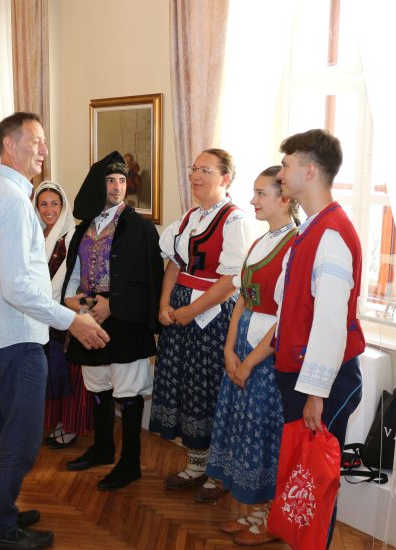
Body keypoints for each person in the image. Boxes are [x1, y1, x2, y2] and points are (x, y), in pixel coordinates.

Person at [0, 111, 109, 550]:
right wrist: (74, 320)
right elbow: (19, 288)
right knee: (23, 437)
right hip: (15, 337)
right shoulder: (11, 201)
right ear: (10, 145)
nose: (44, 149)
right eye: (37, 140)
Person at [274, 129, 365, 546]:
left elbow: (330, 322)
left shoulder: (331, 234)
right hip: (304, 373)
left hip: (324, 378)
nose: (281, 172)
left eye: (287, 164)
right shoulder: (311, 228)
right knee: (301, 474)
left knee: (316, 479)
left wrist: (315, 392)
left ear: (309, 171)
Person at [148, 148, 251, 501]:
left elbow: (230, 281)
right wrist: (164, 304)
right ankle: (196, 462)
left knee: (208, 389)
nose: (196, 175)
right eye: (194, 168)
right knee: (184, 387)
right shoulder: (191, 216)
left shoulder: (234, 220)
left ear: (225, 179)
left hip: (211, 317)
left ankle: (218, 473)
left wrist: (190, 313)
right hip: (180, 311)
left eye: (205, 170)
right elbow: (175, 265)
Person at [61, 153, 163, 491]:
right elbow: (74, 271)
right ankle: (103, 447)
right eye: (110, 180)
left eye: (121, 181)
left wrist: (114, 304)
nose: (117, 186)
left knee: (128, 390)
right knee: (98, 385)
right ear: (97, 185)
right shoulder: (84, 228)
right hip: (90, 317)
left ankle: (130, 462)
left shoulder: (141, 227)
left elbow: (149, 279)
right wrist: (76, 302)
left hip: (125, 321)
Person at [206, 166, 298, 546]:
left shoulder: (295, 244)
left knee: (266, 435)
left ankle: (273, 519)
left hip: (266, 354)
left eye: (261, 194)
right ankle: (260, 511)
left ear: (285, 198)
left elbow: (287, 318)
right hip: (243, 342)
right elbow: (243, 296)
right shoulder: (262, 241)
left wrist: (248, 361)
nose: (253, 200)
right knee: (245, 430)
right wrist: (229, 349)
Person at [31, 180, 92, 448]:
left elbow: (71, 275)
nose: (48, 209)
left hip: (62, 314)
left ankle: (68, 426)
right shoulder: (32, 234)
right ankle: (50, 420)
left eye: (54, 203)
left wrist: (52, 301)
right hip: (37, 314)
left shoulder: (71, 236)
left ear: (63, 206)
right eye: (43, 204)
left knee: (66, 374)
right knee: (45, 373)